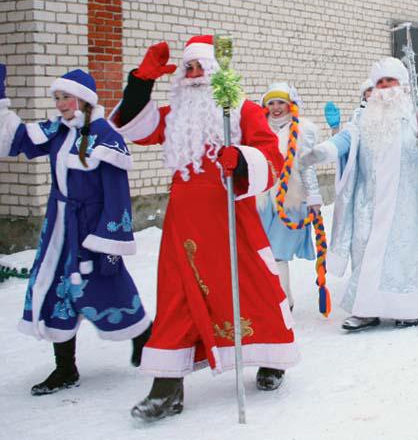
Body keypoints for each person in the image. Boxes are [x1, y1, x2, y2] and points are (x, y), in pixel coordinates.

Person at [110, 36, 299, 421]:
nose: (194, 75)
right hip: (184, 224)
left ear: (215, 73)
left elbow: (272, 156)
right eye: (188, 69)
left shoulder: (242, 110)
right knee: (177, 295)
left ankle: (271, 356)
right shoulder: (174, 114)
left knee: (252, 288)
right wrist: (141, 80)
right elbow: (130, 126)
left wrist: (243, 160)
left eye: (200, 68)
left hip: (230, 218)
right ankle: (166, 387)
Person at [0, 65, 151, 395]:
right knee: (57, 291)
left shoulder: (105, 136)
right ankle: (65, 368)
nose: (60, 104)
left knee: (107, 287)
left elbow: (116, 194)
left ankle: (143, 335)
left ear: (83, 98)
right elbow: (15, 140)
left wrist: (110, 243)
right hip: (59, 229)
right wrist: (0, 99)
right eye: (57, 97)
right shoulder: (58, 130)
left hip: (92, 230)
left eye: (65, 97)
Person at [301, 57, 418, 329]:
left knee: (404, 257)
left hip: (409, 204)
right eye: (380, 83)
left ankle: (408, 309)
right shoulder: (363, 117)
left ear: (404, 85)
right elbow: (346, 140)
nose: (385, 88)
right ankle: (366, 310)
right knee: (365, 252)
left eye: (391, 82)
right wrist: (323, 152)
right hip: (369, 202)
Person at [258, 82, 322, 309]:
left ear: (291, 105)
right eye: (271, 103)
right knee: (263, 251)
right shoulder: (258, 129)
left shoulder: (303, 131)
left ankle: (284, 302)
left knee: (278, 252)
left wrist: (313, 197)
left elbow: (307, 167)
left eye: (281, 103)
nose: (276, 108)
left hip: (291, 201)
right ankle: (272, 299)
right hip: (263, 201)